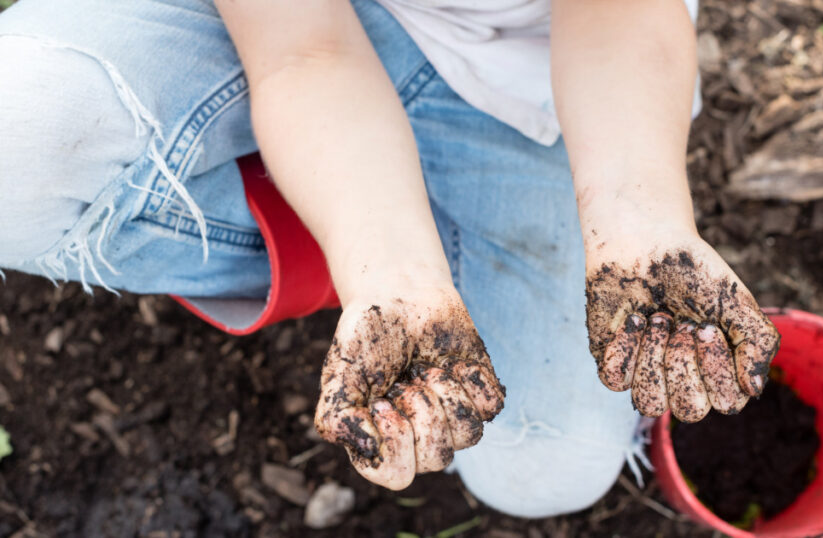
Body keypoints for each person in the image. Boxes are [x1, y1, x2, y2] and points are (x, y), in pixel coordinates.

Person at [0, 0, 779, 518]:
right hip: (295, 33)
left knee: (548, 467)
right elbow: (304, 52)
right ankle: (341, 250)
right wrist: (387, 270)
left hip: (544, 74)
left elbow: (618, 16)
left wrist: (637, 220)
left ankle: (422, 232)